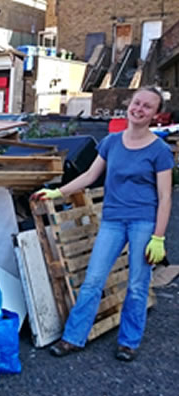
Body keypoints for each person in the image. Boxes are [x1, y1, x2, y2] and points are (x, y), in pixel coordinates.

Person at [31, 87, 174, 362]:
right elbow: (89, 176)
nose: (140, 109)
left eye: (147, 107)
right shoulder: (111, 142)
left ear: (155, 114)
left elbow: (166, 197)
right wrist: (57, 192)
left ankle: (129, 342)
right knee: (93, 280)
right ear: (129, 106)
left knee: (136, 284)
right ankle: (73, 338)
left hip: (144, 221)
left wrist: (159, 237)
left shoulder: (160, 151)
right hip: (113, 220)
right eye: (137, 103)